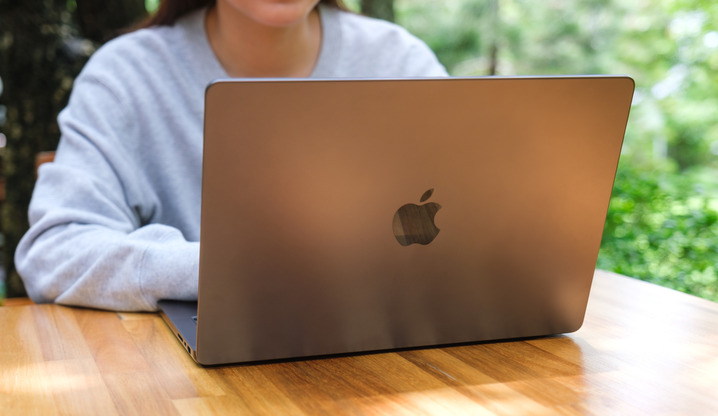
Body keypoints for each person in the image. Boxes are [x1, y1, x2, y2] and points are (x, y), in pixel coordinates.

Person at [15, 0, 447, 311]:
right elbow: (54, 252)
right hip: (191, 393)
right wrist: (213, 269)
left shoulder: (399, 60)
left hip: (396, 359)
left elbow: (482, 222)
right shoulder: (126, 76)